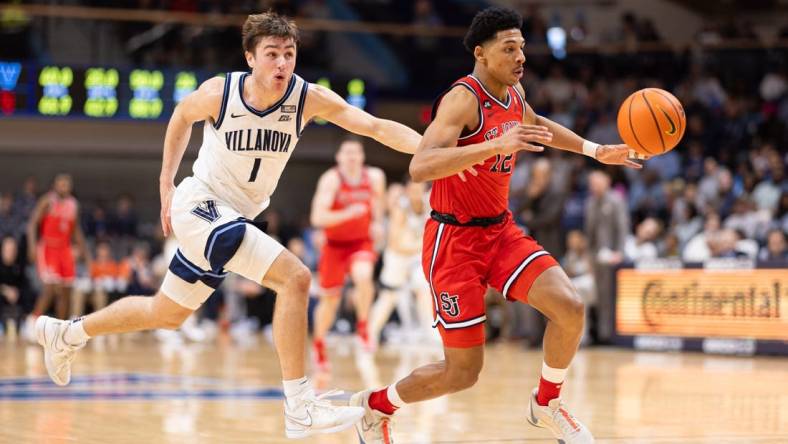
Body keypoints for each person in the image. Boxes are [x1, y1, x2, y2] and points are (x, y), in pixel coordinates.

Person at [34, 11, 422, 439]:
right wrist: (166, 183)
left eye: (289, 55)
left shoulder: (307, 98)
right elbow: (181, 117)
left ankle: (67, 333)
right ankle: (299, 405)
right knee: (295, 278)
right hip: (200, 203)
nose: (282, 64)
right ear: (250, 58)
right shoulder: (222, 92)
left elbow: (375, 126)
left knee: (165, 313)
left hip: (234, 216)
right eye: (272, 54)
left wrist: (430, 153)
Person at [350, 7, 641, 444]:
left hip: (499, 231)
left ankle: (547, 403)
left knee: (570, 307)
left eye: (522, 47)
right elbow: (420, 165)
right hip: (453, 241)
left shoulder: (515, 93)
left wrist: (596, 151)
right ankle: (376, 407)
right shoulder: (462, 98)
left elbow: (536, 125)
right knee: (462, 373)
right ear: (482, 54)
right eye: (510, 49)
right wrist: (492, 146)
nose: (520, 56)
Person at [309, 137, 385, 370]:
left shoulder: (374, 177)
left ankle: (363, 327)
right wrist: (349, 213)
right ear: (339, 157)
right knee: (329, 302)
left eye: (356, 153)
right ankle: (319, 342)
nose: (352, 157)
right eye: (347, 153)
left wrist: (378, 224)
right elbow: (317, 218)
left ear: (362, 157)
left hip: (360, 242)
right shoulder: (331, 180)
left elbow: (378, 206)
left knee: (364, 276)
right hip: (333, 244)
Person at [368, 179, 434, 347]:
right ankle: (370, 334)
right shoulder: (400, 208)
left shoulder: (430, 205)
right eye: (412, 190)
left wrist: (422, 248)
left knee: (423, 289)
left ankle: (430, 333)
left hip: (417, 254)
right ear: (407, 190)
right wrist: (421, 246)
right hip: (397, 255)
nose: (415, 193)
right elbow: (395, 243)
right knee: (389, 297)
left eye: (419, 190)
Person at [24, 174, 90, 331]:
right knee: (50, 288)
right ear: (55, 186)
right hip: (48, 247)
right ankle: (32, 322)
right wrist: (32, 246)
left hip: (65, 249)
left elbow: (76, 231)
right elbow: (32, 224)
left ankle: (61, 328)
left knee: (67, 290)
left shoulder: (74, 205)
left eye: (66, 185)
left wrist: (85, 252)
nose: (64, 187)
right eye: (61, 184)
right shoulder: (47, 201)